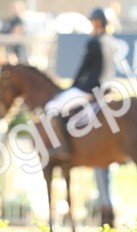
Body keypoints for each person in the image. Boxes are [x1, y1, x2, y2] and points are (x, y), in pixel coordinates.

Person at [43, 6, 115, 162]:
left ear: (96, 22)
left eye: (92, 22)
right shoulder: (111, 42)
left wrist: (70, 86)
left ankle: (62, 147)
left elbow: (84, 69)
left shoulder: (94, 42)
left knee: (52, 107)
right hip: (108, 89)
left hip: (90, 89)